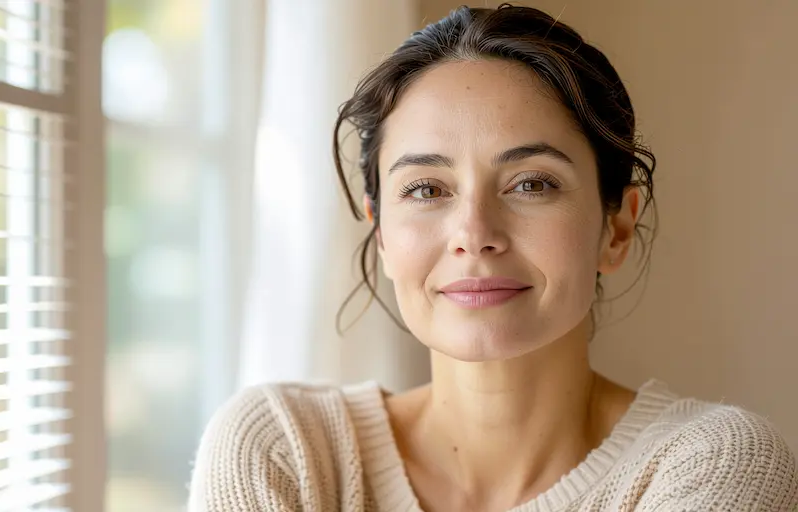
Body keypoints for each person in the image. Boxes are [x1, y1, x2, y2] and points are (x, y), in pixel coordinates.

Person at [189, 5, 798, 511]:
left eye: (532, 184)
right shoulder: (284, 451)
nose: (474, 234)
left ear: (615, 227)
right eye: (425, 189)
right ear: (381, 235)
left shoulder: (715, 465)